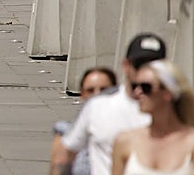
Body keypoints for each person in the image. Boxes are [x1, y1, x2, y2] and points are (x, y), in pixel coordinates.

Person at [57, 33, 170, 175]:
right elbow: (67, 150)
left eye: (154, 66)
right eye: (139, 65)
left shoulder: (173, 109)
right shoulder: (98, 106)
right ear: (126, 65)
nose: (146, 72)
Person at [112, 60, 194, 175]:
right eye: (135, 86)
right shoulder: (124, 141)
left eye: (146, 87)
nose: (137, 92)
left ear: (168, 92)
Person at [52, 67, 119, 175]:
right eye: (90, 90)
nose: (97, 95)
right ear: (82, 93)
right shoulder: (65, 131)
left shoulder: (128, 127)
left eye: (104, 89)